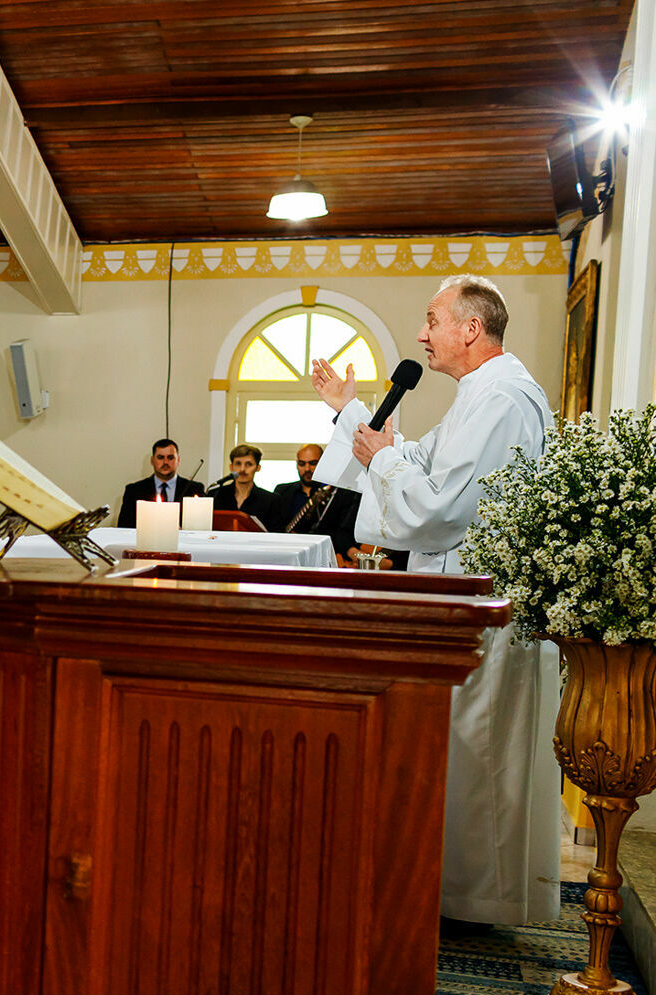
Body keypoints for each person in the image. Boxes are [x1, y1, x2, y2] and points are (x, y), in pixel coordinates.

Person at [312, 273, 559, 931]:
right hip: (465, 601)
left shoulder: (501, 398)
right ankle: (460, 896)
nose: (421, 334)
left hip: (482, 605)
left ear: (469, 329)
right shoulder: (483, 395)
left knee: (477, 751)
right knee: (464, 750)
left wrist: (383, 459)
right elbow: (424, 460)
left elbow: (444, 505)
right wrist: (350, 416)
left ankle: (476, 903)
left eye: (431, 320)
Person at [266, 443, 359, 555]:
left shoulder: (338, 494)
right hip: (287, 554)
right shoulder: (282, 491)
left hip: (326, 555)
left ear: (323, 463)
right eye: (302, 464)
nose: (307, 469)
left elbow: (342, 532)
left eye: (313, 463)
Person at [115, 438, 205, 526]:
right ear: (152, 461)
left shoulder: (194, 489)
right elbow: (124, 527)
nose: (165, 462)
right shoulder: (134, 490)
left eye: (170, 458)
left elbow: (201, 525)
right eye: (160, 457)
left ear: (178, 460)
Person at [210, 444, 275, 525]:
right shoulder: (215, 495)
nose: (242, 469)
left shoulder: (271, 500)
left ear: (258, 468)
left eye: (248, 464)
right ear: (231, 467)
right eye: (238, 464)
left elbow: (276, 534)